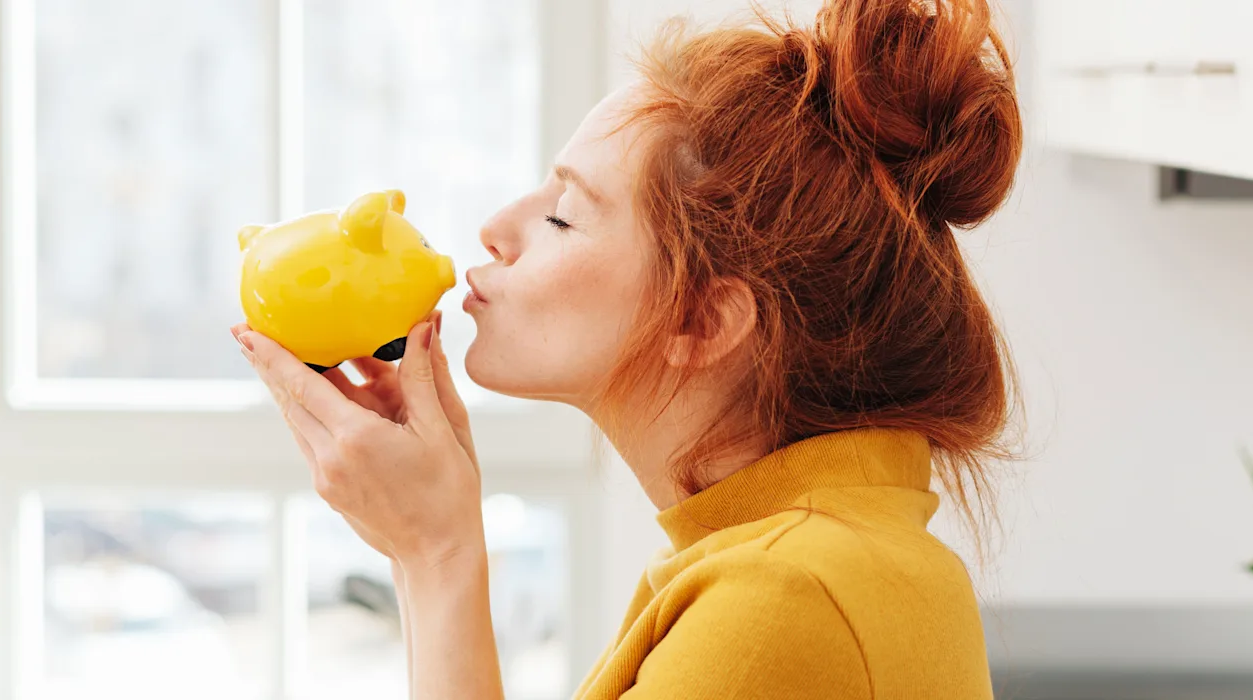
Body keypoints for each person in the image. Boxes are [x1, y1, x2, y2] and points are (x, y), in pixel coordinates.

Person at [234, 0, 1022, 696]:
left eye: (563, 215)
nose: (497, 228)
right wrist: (415, 550)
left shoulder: (786, 597)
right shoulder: (793, 558)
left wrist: (438, 554)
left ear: (702, 321)